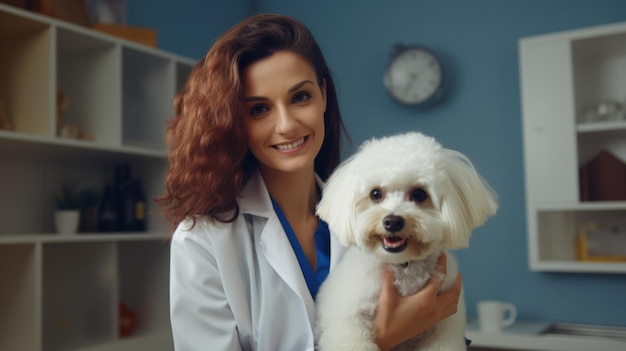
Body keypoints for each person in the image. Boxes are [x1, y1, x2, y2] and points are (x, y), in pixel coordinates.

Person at [157, 13, 463, 351]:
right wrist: (383, 339)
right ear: (234, 121)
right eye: (259, 109)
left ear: (323, 94)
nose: (286, 125)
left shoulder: (368, 213)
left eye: (300, 97)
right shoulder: (202, 241)